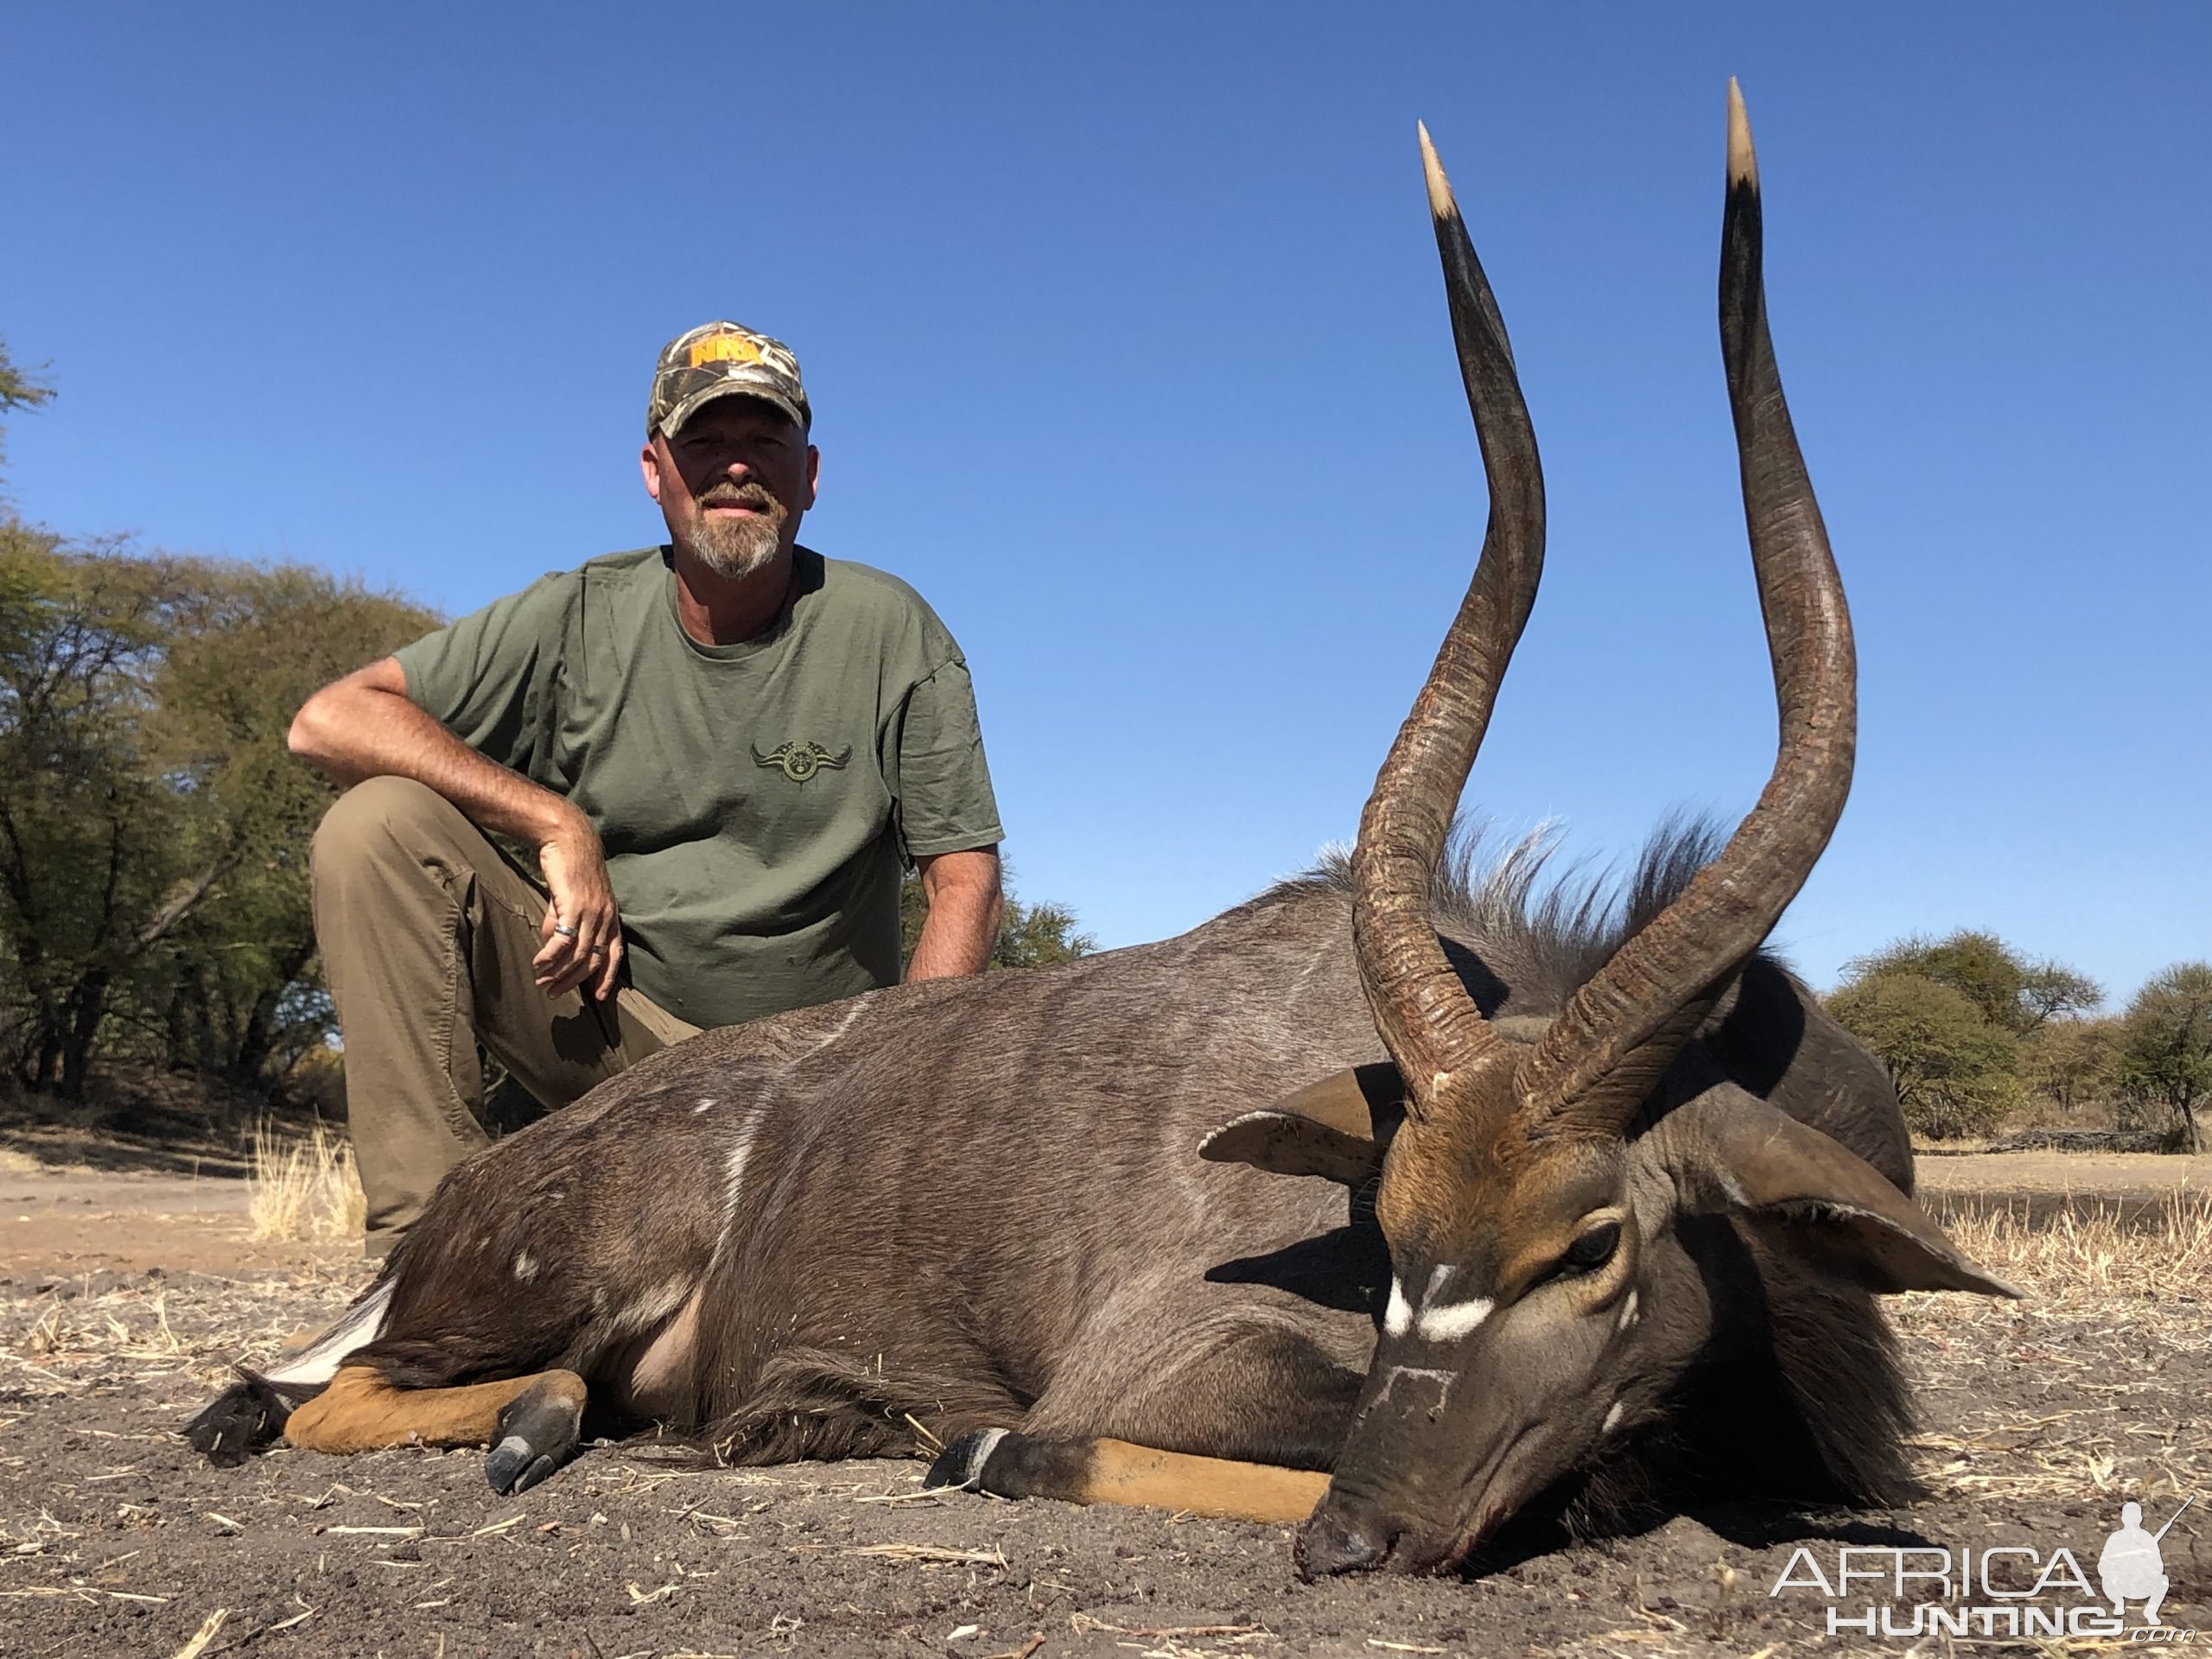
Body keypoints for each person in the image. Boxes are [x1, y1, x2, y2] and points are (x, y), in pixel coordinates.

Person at [289, 321, 1006, 1255]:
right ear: (654, 469)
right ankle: (425, 1258)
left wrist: (890, 1096)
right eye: (706, 442)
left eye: (765, 443)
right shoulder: (577, 611)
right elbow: (330, 719)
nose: (736, 469)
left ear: (811, 473)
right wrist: (554, 822)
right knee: (375, 826)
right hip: (612, 1041)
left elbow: (965, 881)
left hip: (811, 1088)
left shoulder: (892, 627)